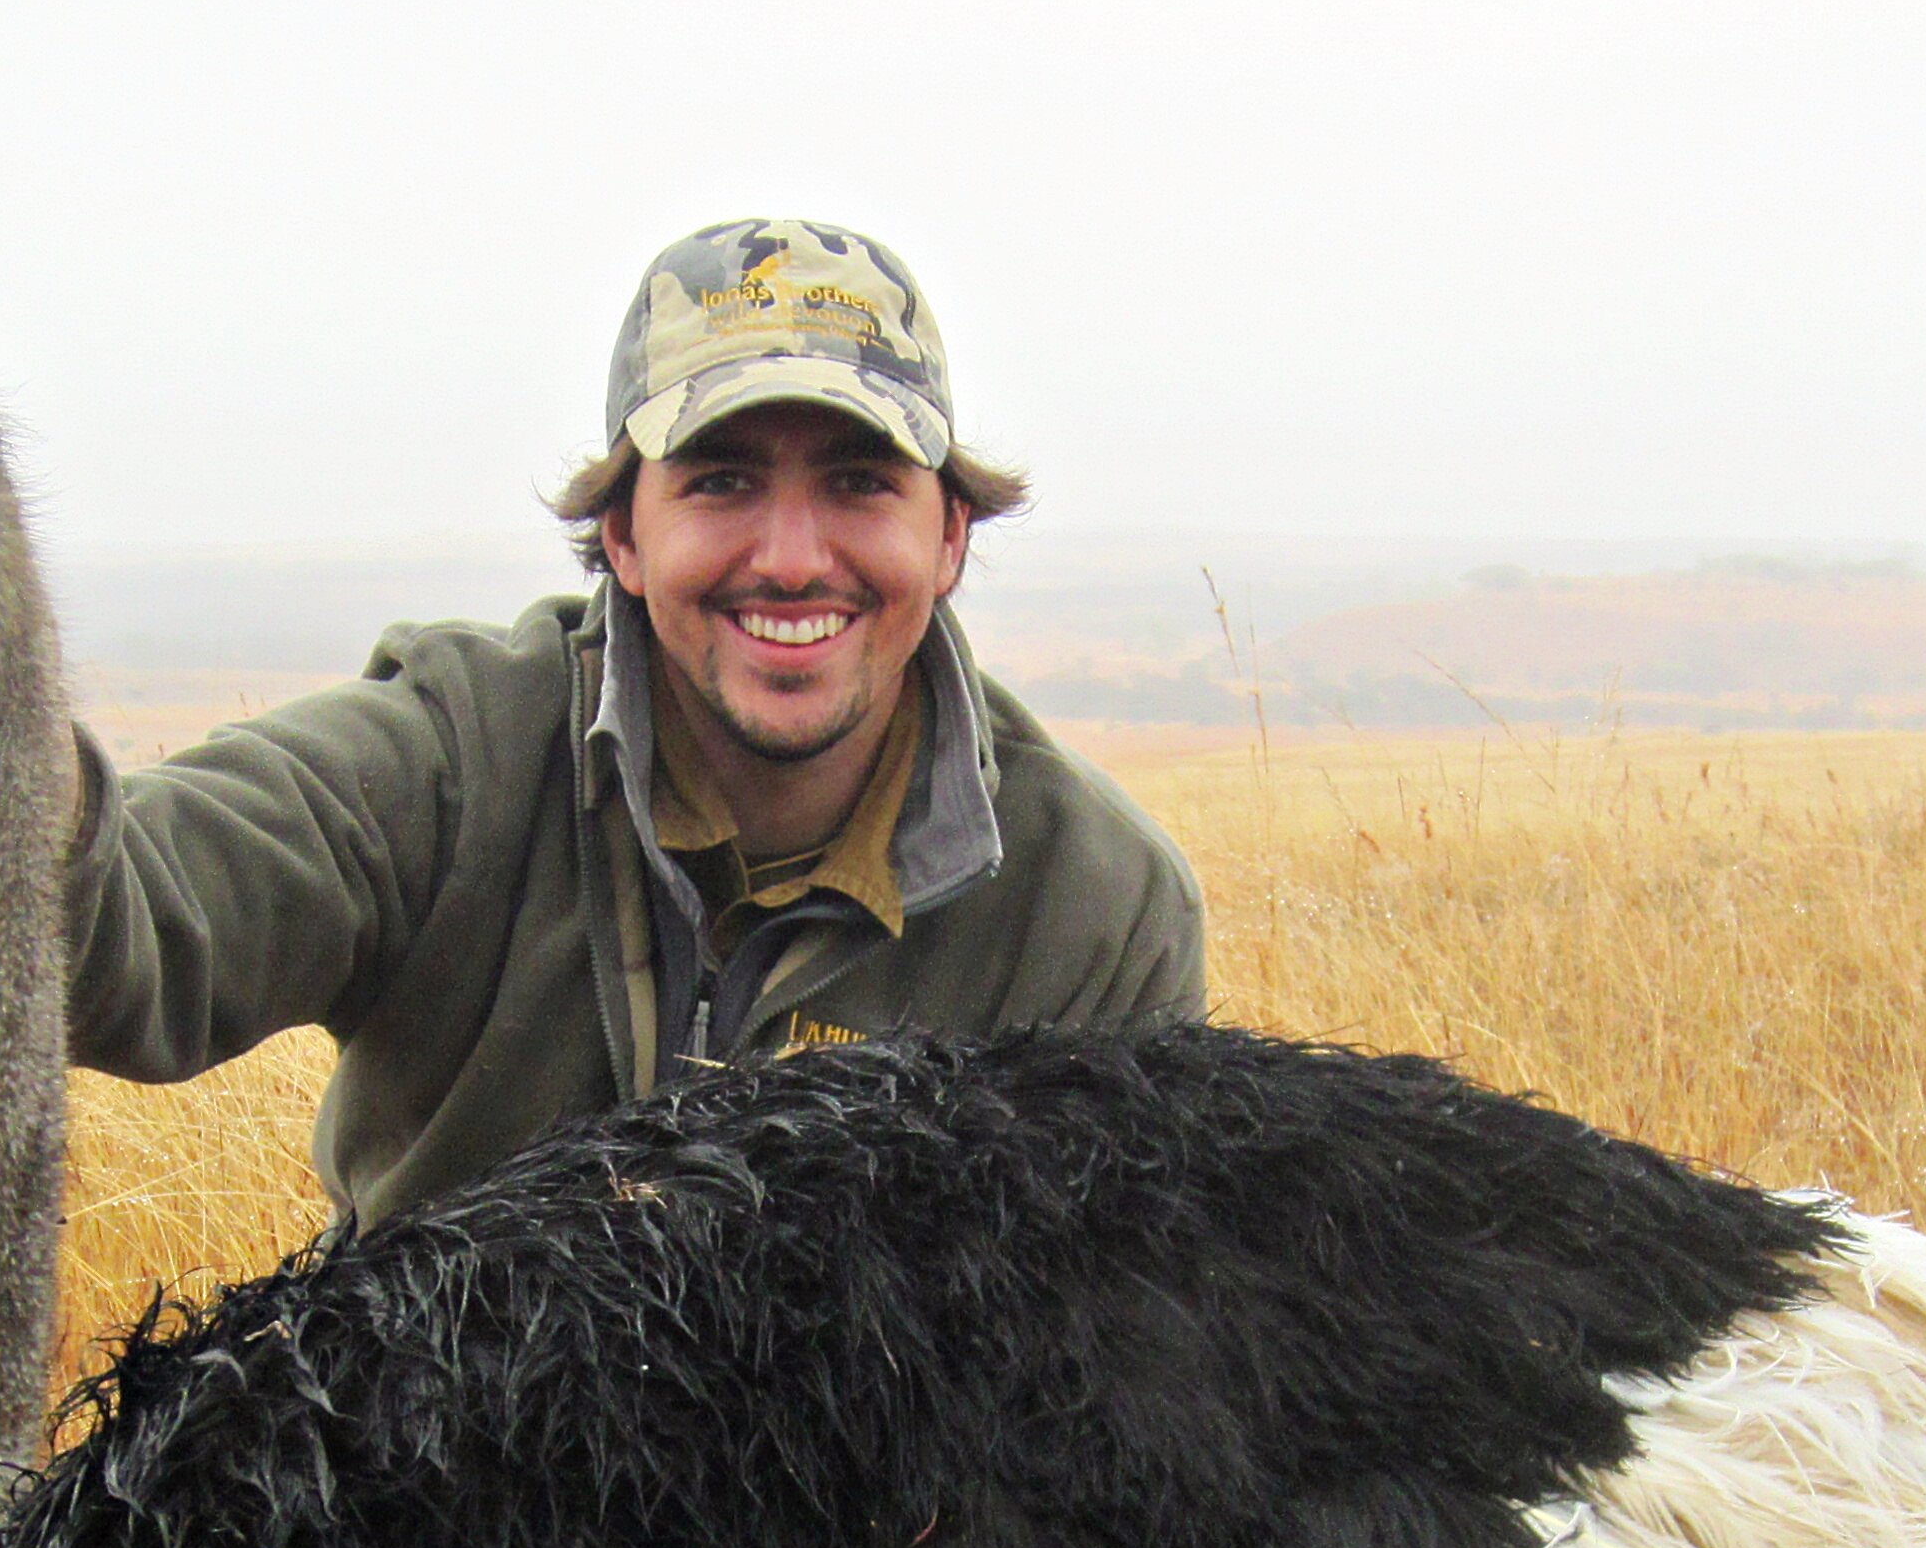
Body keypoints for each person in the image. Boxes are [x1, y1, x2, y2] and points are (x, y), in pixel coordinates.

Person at [66, 218, 1207, 1225]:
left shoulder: (1092, 905)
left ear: (950, 536)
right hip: (431, 1456)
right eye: (721, 483)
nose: (794, 561)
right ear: (621, 533)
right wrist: (2, 776)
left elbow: (1112, 1340)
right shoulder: (453, 760)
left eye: (860, 482)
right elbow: (122, 933)